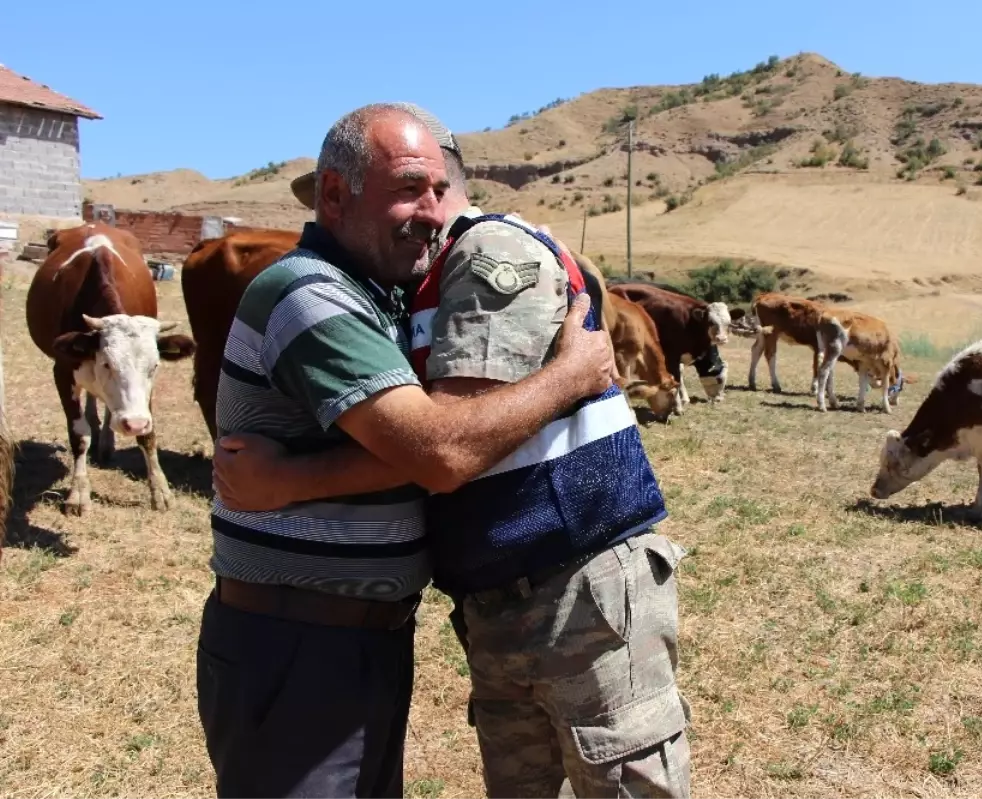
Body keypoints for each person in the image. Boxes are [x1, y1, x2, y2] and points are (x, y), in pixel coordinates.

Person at [216, 107, 693, 798]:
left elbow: (445, 446)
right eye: (409, 190)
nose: (429, 212)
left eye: (436, 190)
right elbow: (443, 447)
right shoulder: (325, 291)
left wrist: (289, 478)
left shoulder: (481, 257)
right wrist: (570, 374)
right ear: (335, 197)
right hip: (314, 636)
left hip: (566, 592)